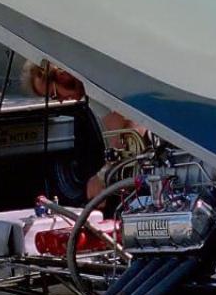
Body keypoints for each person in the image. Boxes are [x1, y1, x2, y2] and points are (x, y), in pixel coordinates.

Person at [23, 59, 145, 199]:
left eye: (54, 94)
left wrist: (101, 178)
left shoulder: (99, 82)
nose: (60, 101)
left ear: (62, 75)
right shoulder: (92, 94)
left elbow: (129, 133)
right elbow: (119, 140)